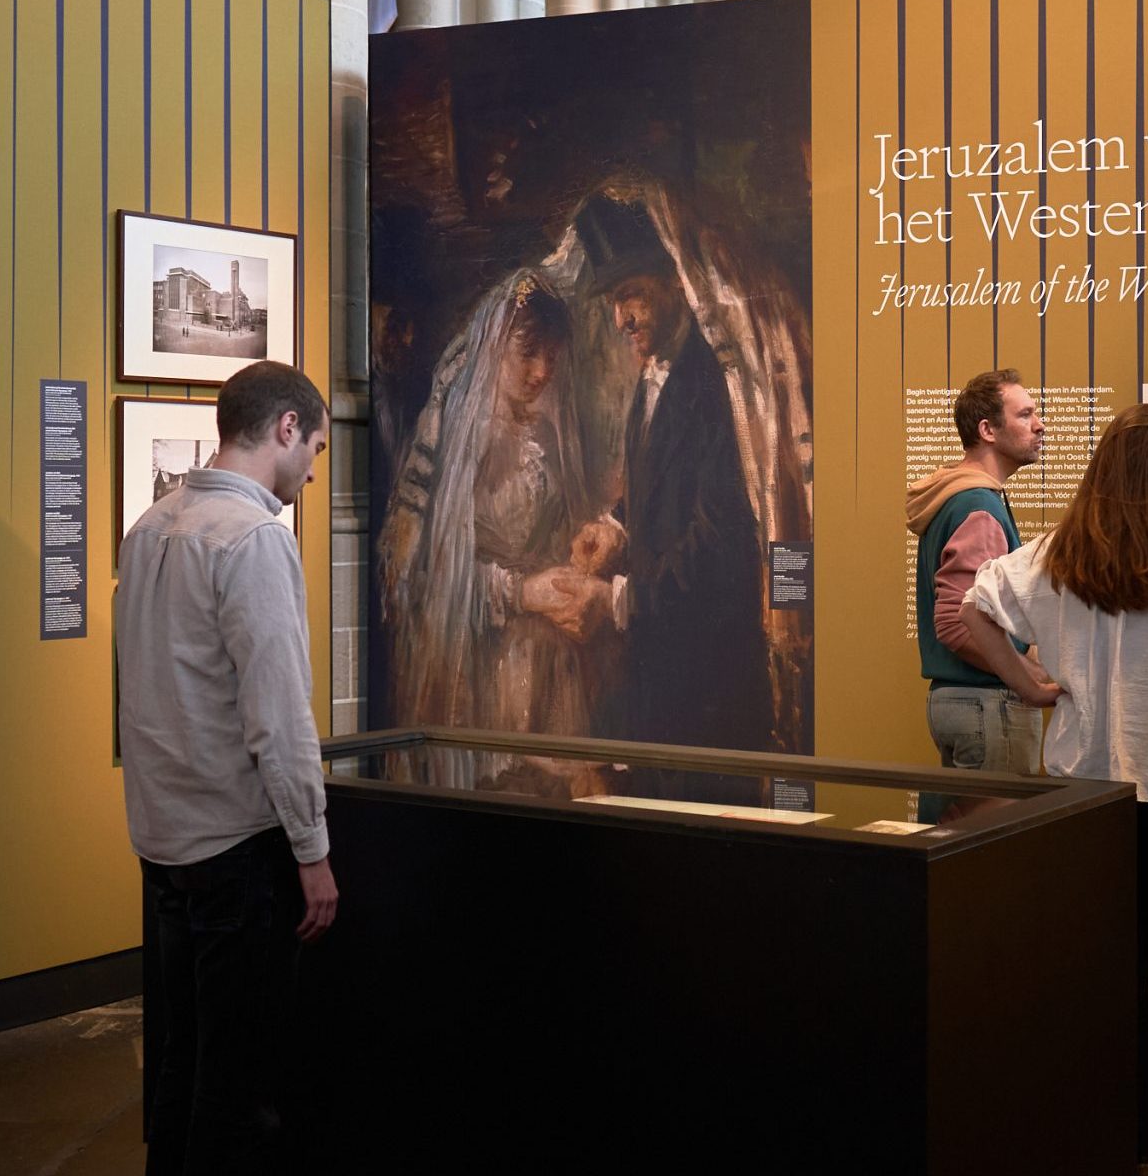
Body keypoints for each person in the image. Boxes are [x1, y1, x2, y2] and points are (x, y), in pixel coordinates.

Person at [959, 404, 1148, 1174]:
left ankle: (1123, 1130)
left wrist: (1029, 683)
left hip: (1086, 792)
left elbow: (974, 609)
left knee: (1105, 966)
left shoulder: (1054, 558)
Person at [115, 360, 338, 1176]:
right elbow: (278, 716)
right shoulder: (253, 539)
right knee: (237, 1079)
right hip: (236, 851)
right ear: (286, 427)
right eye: (314, 449)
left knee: (183, 1053)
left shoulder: (150, 527)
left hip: (165, 841)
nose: (312, 471)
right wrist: (312, 850)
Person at [377, 271, 619, 796]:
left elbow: (558, 528)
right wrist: (521, 592)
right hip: (481, 668)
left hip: (551, 669)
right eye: (528, 353)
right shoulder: (457, 443)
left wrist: (585, 546)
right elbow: (426, 575)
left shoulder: (548, 432)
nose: (542, 371)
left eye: (551, 356)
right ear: (492, 348)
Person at [566, 193, 776, 781]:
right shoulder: (653, 374)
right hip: (661, 677)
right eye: (613, 302)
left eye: (630, 294)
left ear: (675, 282)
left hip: (710, 681)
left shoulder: (715, 385)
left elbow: (720, 542)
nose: (621, 320)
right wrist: (614, 524)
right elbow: (658, 481)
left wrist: (618, 601)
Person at [907, 369, 1047, 821]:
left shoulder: (963, 498)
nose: (1040, 425)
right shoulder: (978, 505)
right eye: (1025, 414)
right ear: (988, 430)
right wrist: (1029, 678)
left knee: (959, 848)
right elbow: (957, 623)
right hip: (989, 706)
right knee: (990, 853)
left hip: (967, 703)